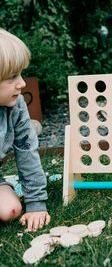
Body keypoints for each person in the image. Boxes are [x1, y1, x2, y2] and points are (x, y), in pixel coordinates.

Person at [0, 28, 50, 231]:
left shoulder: (16, 105)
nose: (22, 83)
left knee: (11, 209)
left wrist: (36, 202)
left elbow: (27, 151)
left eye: (20, 74)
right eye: (12, 76)